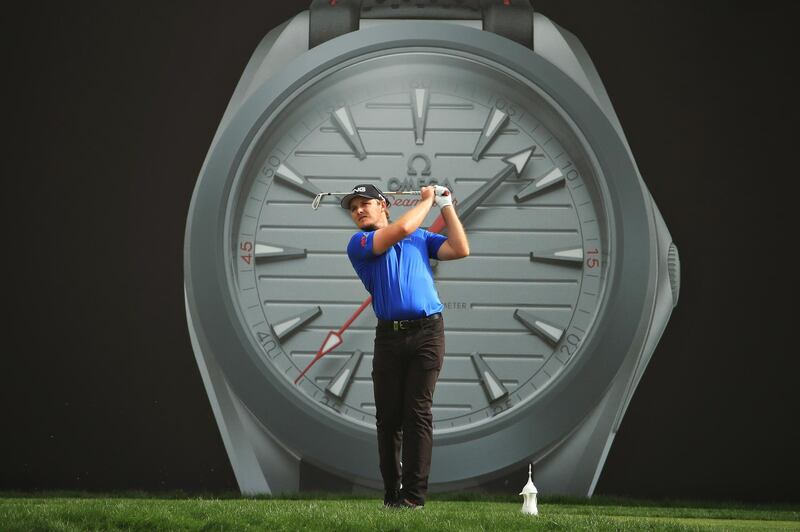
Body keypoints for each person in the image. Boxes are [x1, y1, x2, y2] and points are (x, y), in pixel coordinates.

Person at [342, 183, 470, 509]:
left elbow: (460, 248)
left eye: (364, 203)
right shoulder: (360, 243)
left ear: (383, 204)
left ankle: (413, 498)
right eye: (353, 207)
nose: (358, 210)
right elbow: (401, 227)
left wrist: (445, 205)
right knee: (389, 419)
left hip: (428, 331)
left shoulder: (421, 237)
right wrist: (427, 200)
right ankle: (391, 496)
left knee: (418, 413)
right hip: (389, 337)